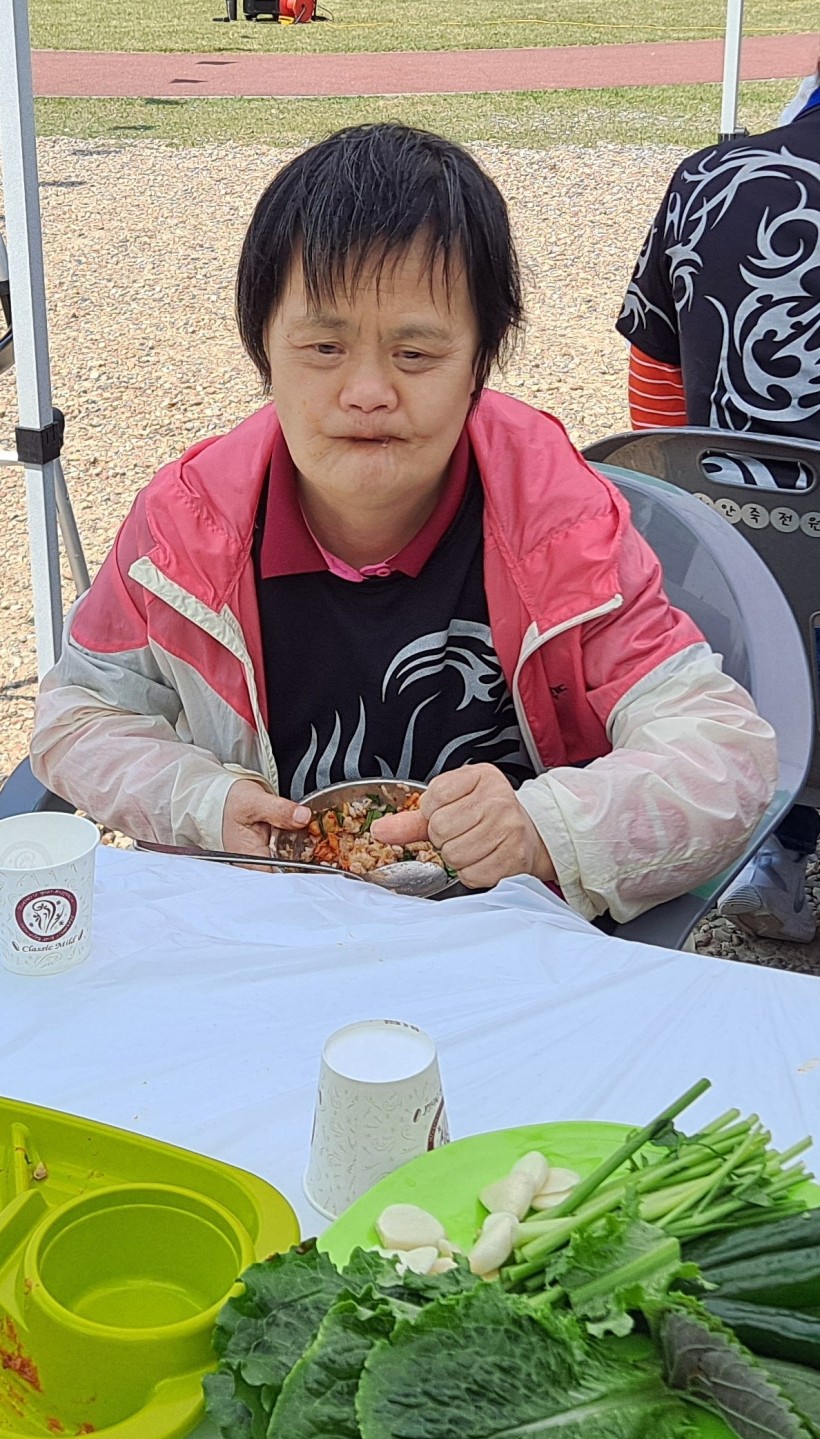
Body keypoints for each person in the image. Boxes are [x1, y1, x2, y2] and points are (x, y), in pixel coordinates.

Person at [30, 124, 777, 925]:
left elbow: (723, 755)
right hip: (267, 931)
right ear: (264, 351)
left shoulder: (561, 525)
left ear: (480, 363)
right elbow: (77, 717)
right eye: (324, 346)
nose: (368, 392)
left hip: (505, 936)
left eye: (415, 354)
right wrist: (206, 805)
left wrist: (544, 829)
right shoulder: (186, 530)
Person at [616, 72, 820, 942]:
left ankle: (779, 850)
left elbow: (654, 387)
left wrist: (702, 511)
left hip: (737, 599)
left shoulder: (709, 178)